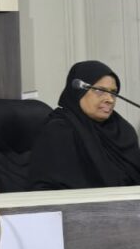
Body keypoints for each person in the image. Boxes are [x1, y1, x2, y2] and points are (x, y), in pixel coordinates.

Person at [28, 61, 140, 190]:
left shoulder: (123, 131)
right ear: (78, 92)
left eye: (113, 93)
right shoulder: (58, 130)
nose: (109, 99)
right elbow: (49, 188)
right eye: (100, 91)